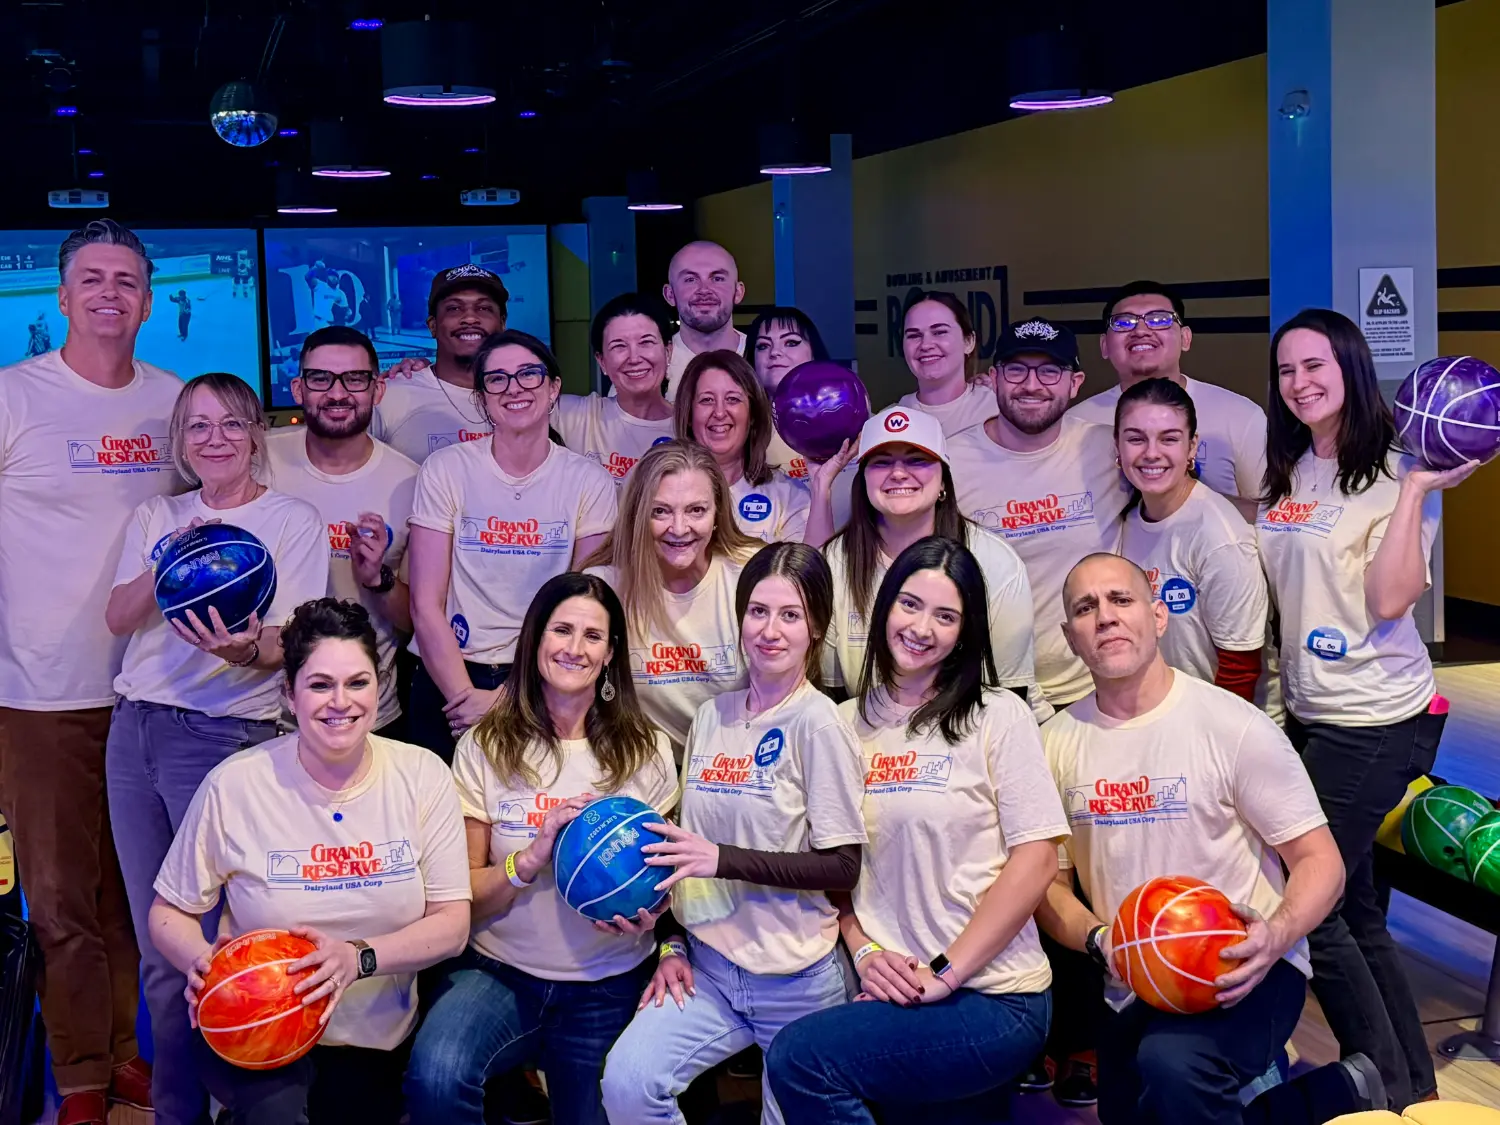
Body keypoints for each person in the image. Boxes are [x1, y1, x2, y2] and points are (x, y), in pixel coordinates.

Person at [1036, 553, 1346, 1125]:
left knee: (1175, 1065)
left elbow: (1320, 861)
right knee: (1130, 1108)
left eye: (1121, 600)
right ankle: (1330, 1095)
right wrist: (1102, 940)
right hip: (1137, 980)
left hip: (1246, 969)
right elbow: (1049, 890)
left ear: (1158, 617)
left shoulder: (1234, 726)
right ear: (1069, 636)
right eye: (1086, 608)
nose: (1105, 617)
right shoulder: (1053, 744)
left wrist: (1275, 936)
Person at [767, 535, 1066, 1124]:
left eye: (945, 615)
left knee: (801, 1060)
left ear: (966, 631)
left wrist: (945, 973)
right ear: (883, 611)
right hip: (893, 988)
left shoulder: (995, 715)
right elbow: (836, 867)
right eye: (909, 604)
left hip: (995, 994)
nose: (922, 627)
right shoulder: (842, 724)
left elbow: (1037, 860)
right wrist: (865, 947)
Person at [1258, 309, 1476, 1107]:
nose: (1301, 382)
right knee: (1350, 898)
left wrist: (1418, 488)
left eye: (1316, 365)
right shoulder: (1292, 465)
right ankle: (1409, 1080)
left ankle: (1372, 1079)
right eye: (1286, 370)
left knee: (1312, 899)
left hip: (1376, 717)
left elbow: (1391, 599)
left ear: (1351, 365)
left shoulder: (1396, 469)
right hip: (1310, 709)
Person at [147, 598, 472, 1125]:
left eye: (357, 683)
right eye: (320, 685)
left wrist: (355, 958)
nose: (340, 702)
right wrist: (203, 963)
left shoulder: (422, 775)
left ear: (379, 685)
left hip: (375, 1040)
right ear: (289, 694)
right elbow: (167, 913)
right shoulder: (237, 784)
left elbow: (453, 926)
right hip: (259, 1027)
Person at [104, 372, 327, 1125]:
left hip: (226, 737)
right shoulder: (157, 513)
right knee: (159, 948)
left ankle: (249, 1106)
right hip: (134, 732)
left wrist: (240, 650)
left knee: (221, 947)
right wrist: (170, 555)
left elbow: (284, 646)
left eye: (230, 425)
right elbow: (117, 615)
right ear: (180, 439)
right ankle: (176, 1114)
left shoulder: (291, 520)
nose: (215, 440)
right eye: (198, 428)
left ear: (256, 433)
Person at [0, 220, 180, 1125]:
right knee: (63, 896)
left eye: (127, 280)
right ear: (62, 298)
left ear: (149, 300)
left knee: (133, 897)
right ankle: (79, 1078)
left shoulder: (173, 402)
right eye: (92, 279)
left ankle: (123, 1055)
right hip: (37, 693)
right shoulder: (13, 398)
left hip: (152, 689)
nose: (111, 293)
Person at [600, 542, 868, 1125]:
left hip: (797, 980)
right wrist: (669, 941)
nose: (770, 630)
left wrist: (722, 859)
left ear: (815, 627)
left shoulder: (819, 723)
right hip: (708, 969)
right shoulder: (711, 716)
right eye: (758, 611)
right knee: (627, 1086)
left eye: (790, 615)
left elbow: (843, 865)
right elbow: (682, 853)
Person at [404, 573, 677, 1125]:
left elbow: (673, 876)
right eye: (562, 630)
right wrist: (528, 859)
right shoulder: (486, 743)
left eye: (592, 637)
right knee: (434, 1078)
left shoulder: (646, 748)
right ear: (534, 640)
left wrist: (658, 914)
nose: (575, 648)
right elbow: (466, 896)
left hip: (608, 982)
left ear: (610, 654)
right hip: (500, 974)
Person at [407, 330, 616, 762]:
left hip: (548, 679)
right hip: (450, 678)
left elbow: (583, 608)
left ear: (554, 386)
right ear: (482, 398)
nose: (514, 388)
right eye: (497, 379)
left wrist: (509, 700)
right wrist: (466, 698)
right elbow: (426, 604)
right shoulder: (446, 469)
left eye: (529, 374)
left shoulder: (588, 480)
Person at [947, 317, 1131, 709]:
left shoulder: (1108, 450)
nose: (1032, 385)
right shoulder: (951, 462)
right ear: (993, 378)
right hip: (987, 690)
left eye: (1050, 371)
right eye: (1017, 369)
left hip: (1094, 687)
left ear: (1075, 383)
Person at [815, 407, 1042, 715]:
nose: (898, 473)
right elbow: (833, 695)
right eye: (881, 462)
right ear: (863, 480)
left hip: (972, 733)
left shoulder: (994, 561)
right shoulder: (834, 563)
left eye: (917, 460)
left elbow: (1007, 691)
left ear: (944, 480)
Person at [268, 325, 419, 736]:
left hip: (361, 716)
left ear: (378, 390)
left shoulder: (409, 482)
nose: (338, 394)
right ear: (298, 389)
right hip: (261, 714)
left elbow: (415, 620)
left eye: (355, 379)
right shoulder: (259, 459)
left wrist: (378, 578)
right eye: (321, 379)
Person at [582, 440, 759, 754]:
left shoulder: (749, 575)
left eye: (696, 510)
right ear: (638, 515)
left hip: (739, 765)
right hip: (642, 767)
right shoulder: (602, 589)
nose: (679, 528)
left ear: (718, 511)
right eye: (660, 511)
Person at [1114, 378, 1267, 702]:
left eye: (1169, 439)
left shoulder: (1219, 536)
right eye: (1136, 439)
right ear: (1117, 447)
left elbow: (1240, 669)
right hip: (1156, 716)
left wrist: (1209, 741)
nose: (1151, 453)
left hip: (1217, 724)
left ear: (1192, 447)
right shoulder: (1123, 522)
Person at [1072, 280, 1267, 520]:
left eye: (1159, 319)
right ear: (1104, 346)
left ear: (1185, 338)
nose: (1141, 330)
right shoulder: (1077, 422)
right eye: (1124, 322)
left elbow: (1269, 515)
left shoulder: (1241, 415)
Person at [371, 265, 508, 463]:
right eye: (454, 308)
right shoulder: (390, 396)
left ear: (502, 323)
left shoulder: (528, 398)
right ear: (433, 326)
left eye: (484, 308)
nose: (470, 318)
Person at [675, 350, 810, 543]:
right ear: (688, 414)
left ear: (753, 415)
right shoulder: (659, 488)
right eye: (707, 400)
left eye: (733, 399)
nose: (720, 413)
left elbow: (806, 569)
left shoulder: (788, 496)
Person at [553, 293, 676, 484]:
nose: (634, 358)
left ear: (668, 351)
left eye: (646, 342)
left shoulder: (690, 427)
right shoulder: (579, 416)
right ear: (601, 361)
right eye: (619, 346)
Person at [743, 306, 830, 481]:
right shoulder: (739, 428)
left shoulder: (854, 418)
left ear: (814, 352)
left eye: (791, 342)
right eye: (763, 346)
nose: (774, 352)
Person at [895, 291, 998, 437]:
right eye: (914, 335)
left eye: (939, 332)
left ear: (969, 341)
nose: (926, 345)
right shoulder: (889, 421)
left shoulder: (1000, 409)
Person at [661, 241, 747, 401]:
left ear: (738, 292)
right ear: (670, 294)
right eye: (690, 279)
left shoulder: (763, 359)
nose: (704, 290)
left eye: (718, 278)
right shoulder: (650, 366)